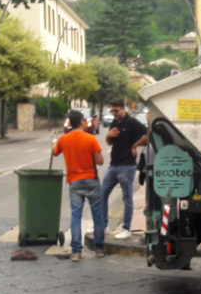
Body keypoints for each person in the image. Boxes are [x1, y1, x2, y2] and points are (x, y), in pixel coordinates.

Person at [53, 110, 106, 262]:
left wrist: (54, 143)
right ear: (82, 122)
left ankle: (76, 251)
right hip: (91, 180)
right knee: (97, 214)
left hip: (74, 181)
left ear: (70, 123)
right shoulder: (91, 139)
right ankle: (99, 248)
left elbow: (55, 152)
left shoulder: (64, 139)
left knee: (76, 215)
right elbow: (100, 161)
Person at [102, 99, 147, 239]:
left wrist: (135, 146)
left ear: (123, 109)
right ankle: (103, 226)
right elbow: (110, 142)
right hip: (113, 165)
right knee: (102, 195)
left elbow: (147, 134)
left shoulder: (132, 122)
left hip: (127, 166)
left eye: (116, 110)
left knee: (126, 197)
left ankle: (126, 228)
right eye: (112, 111)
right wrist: (108, 136)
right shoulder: (115, 123)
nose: (114, 113)